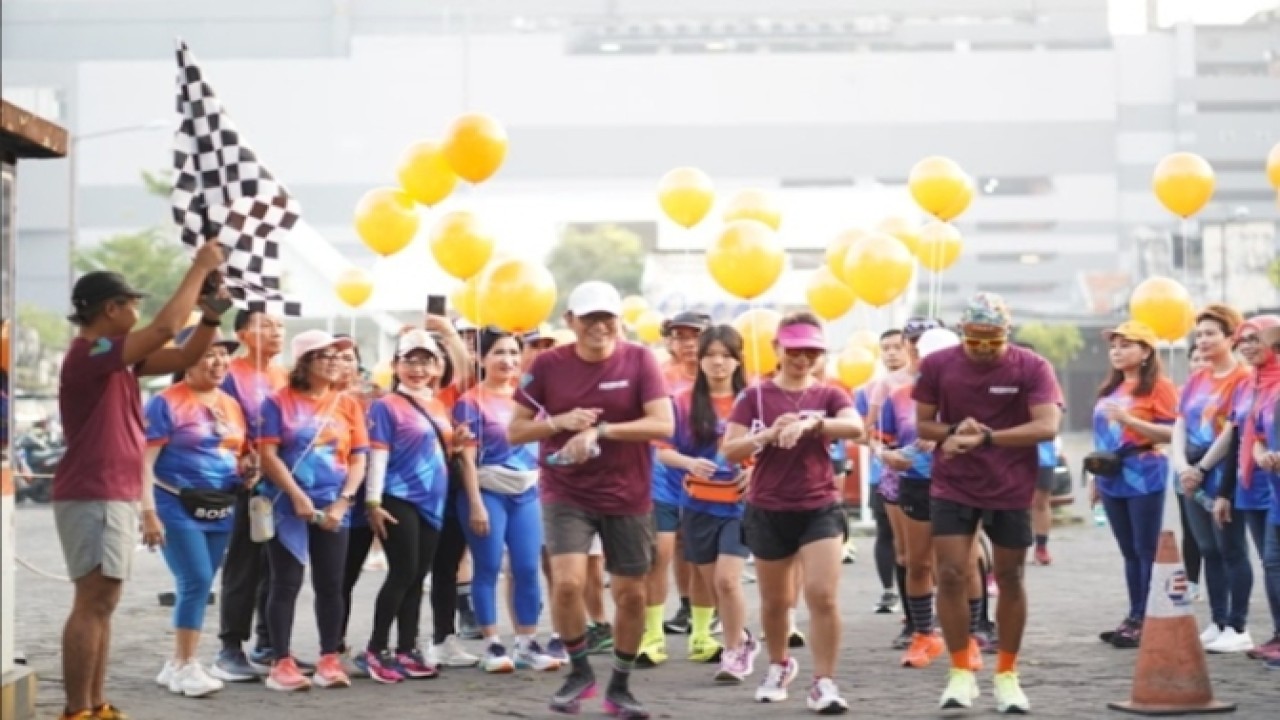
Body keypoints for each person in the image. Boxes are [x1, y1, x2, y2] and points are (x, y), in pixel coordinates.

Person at [53, 239, 225, 720]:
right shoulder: (91, 351)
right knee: (93, 601)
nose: (137, 312)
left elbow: (186, 354)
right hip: (95, 490)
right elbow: (167, 329)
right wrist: (199, 267)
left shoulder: (115, 357)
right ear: (111, 309)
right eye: (131, 304)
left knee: (103, 602)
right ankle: (77, 710)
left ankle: (94, 705)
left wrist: (210, 318)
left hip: (109, 491)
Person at [508, 280, 673, 717]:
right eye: (589, 318)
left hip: (627, 491)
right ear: (570, 320)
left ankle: (620, 685)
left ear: (619, 320)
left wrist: (600, 431)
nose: (599, 326)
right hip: (567, 489)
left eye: (607, 317)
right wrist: (558, 422)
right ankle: (579, 672)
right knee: (567, 582)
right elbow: (516, 430)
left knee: (631, 595)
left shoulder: (640, 359)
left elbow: (663, 424)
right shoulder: (548, 364)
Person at [912, 292, 1060, 713]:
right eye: (974, 339)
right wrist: (954, 431)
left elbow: (1047, 425)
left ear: (1006, 334)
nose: (982, 348)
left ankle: (1007, 675)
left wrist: (988, 438)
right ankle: (960, 670)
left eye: (992, 340)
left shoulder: (1032, 366)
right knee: (950, 573)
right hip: (954, 482)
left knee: (1010, 577)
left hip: (1010, 484)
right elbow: (923, 423)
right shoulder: (938, 365)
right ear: (961, 332)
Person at [721, 311, 864, 712]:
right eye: (795, 351)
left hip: (819, 505)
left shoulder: (830, 395)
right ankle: (779, 665)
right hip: (768, 506)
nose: (803, 359)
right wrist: (767, 434)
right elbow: (729, 449)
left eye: (812, 352)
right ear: (777, 349)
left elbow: (855, 427)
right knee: (775, 602)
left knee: (822, 595)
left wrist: (811, 424)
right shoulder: (755, 396)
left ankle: (824, 682)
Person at [257, 330, 370, 692]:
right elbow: (268, 454)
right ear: (305, 362)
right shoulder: (277, 402)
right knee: (285, 582)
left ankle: (329, 658)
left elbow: (359, 458)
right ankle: (281, 661)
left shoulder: (348, 404)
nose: (336, 363)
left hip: (335, 504)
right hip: (285, 504)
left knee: (331, 583)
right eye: (326, 356)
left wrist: (344, 500)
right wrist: (296, 495)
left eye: (339, 357)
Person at [144, 327, 247, 698]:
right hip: (175, 504)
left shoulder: (231, 404)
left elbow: (236, 452)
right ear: (186, 359)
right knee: (196, 580)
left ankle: (176, 663)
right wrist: (147, 511)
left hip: (220, 507)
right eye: (209, 354)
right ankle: (187, 663)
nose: (219, 361)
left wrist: (247, 471)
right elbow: (143, 461)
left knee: (202, 583)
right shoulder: (165, 402)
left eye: (224, 354)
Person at [453, 328, 561, 673]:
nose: (508, 360)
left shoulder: (531, 401)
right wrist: (475, 503)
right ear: (482, 358)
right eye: (499, 352)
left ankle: (527, 643)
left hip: (527, 493)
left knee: (527, 568)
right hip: (488, 491)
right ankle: (492, 645)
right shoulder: (470, 401)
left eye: (514, 352)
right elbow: (466, 459)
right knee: (487, 568)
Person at [657, 325, 757, 681]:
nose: (718, 363)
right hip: (698, 504)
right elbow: (662, 450)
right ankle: (742, 637)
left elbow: (773, 444)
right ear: (699, 361)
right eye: (711, 355)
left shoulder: (754, 400)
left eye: (726, 356)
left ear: (738, 361)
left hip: (741, 505)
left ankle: (734, 651)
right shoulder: (682, 402)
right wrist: (689, 463)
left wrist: (755, 471)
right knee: (713, 584)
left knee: (728, 580)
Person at [356, 330, 451, 683]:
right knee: (402, 572)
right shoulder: (386, 405)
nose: (418, 369)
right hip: (398, 497)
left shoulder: (437, 405)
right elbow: (378, 455)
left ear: (437, 367)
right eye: (410, 360)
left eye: (426, 361)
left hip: (433, 502)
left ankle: (407, 649)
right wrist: (373, 501)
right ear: (396, 365)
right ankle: (376, 649)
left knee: (417, 576)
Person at [1193, 315, 1280, 654]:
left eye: (1255, 339)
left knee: (1273, 562)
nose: (1247, 346)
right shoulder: (1248, 385)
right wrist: (1224, 491)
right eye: (1243, 340)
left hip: (1271, 486)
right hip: (1250, 485)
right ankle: (1276, 634)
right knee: (1270, 563)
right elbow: (1239, 439)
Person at [1090, 322, 1179, 649]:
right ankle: (1134, 614)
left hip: (1144, 473)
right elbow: (1100, 436)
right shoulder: (1110, 390)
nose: (1117, 351)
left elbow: (1173, 432)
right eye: (1114, 346)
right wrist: (1095, 477)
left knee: (1145, 549)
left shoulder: (1160, 387)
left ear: (1146, 352)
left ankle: (1147, 618)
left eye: (1126, 345)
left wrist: (1131, 421)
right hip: (1110, 475)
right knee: (1128, 551)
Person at [214, 308, 290, 681]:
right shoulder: (230, 374)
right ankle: (230, 646)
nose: (276, 331)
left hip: (281, 482)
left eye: (280, 326)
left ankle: (269, 643)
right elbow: (222, 424)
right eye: (265, 326)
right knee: (243, 564)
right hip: (246, 483)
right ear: (242, 334)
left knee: (276, 566)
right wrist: (245, 457)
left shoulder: (284, 375)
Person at [881, 328, 962, 670]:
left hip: (960, 483)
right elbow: (883, 442)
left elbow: (987, 439)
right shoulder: (900, 396)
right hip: (916, 483)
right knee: (918, 563)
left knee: (958, 566)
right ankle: (922, 634)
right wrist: (889, 456)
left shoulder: (970, 396)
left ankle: (968, 637)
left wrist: (946, 437)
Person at [1172, 305, 1249, 646]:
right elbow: (1180, 424)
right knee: (1207, 548)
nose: (1202, 340)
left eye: (1210, 333)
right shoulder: (1196, 379)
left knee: (1231, 548)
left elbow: (1233, 431)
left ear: (1231, 338)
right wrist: (1182, 467)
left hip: (1222, 474)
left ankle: (1238, 626)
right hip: (1191, 475)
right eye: (1199, 334)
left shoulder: (1243, 379)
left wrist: (1202, 468)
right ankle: (1218, 621)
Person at [656, 311, 711, 639]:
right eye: (680, 337)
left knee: (702, 543)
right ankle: (687, 605)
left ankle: (710, 609)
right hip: (667, 468)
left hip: (709, 470)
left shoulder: (719, 373)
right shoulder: (660, 376)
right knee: (673, 543)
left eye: (695, 336)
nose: (688, 343)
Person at [1012, 341, 1060, 567]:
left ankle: (1041, 547)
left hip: (1042, 454)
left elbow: (1054, 418)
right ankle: (1012, 549)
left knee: (1040, 501)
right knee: (1010, 504)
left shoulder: (1045, 382)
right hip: (1009, 454)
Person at [1252, 322, 1280, 667]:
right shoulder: (1273, 395)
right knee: (1273, 565)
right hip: (1276, 499)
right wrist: (1262, 456)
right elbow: (1257, 436)